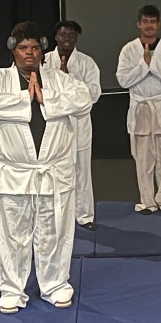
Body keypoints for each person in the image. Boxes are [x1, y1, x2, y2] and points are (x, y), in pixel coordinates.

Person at [0, 22, 92, 313]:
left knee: (54, 231)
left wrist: (46, 98)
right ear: (13, 50)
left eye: (35, 47)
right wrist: (24, 98)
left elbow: (84, 100)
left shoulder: (58, 79)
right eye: (24, 47)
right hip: (13, 173)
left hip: (53, 170)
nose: (30, 53)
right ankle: (12, 289)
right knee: (13, 235)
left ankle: (55, 284)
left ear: (43, 50)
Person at [116, 5, 161, 214]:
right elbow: (123, 80)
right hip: (141, 107)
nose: (149, 26)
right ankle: (147, 201)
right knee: (143, 159)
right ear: (139, 24)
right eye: (145, 22)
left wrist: (153, 63)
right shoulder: (128, 50)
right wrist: (143, 65)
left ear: (158, 24)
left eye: (152, 22)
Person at [49, 20, 102, 231]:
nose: (67, 39)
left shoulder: (87, 63)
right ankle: (57, 215)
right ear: (56, 37)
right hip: (55, 123)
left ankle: (85, 215)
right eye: (63, 34)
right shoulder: (45, 61)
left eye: (71, 35)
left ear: (77, 38)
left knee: (82, 170)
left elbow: (94, 94)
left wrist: (70, 81)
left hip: (79, 123)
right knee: (55, 171)